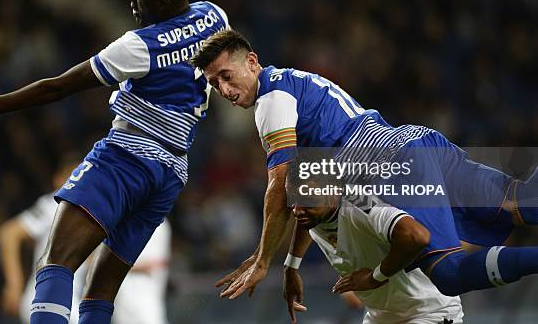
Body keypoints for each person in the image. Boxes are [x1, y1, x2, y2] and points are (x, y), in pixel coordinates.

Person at [0, 0, 230, 324]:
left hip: (129, 156)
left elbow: (57, 87)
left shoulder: (139, 46)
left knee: (55, 261)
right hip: (171, 172)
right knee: (99, 291)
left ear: (160, 3)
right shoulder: (214, 17)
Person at [189, 29, 538, 303]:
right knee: (523, 203)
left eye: (226, 75)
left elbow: (279, 185)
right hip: (415, 141)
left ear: (251, 62)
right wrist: (291, 264)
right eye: (214, 83)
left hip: (394, 166)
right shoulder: (292, 84)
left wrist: (262, 259)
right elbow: (307, 193)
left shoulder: (271, 103)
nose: (223, 88)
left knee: (448, 273)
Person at [0, 160, 172, 324]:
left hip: (65, 304)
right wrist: (13, 283)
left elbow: (90, 258)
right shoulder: (60, 203)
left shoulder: (94, 209)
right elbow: (8, 233)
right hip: (48, 300)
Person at [283, 180, 463, 323]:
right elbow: (304, 222)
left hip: (429, 310)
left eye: (307, 201)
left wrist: (373, 278)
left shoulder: (360, 202)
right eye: (293, 202)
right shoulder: (313, 213)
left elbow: (416, 236)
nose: (298, 211)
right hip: (380, 315)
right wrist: (291, 268)